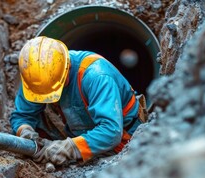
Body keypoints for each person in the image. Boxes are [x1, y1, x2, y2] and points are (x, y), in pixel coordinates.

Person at [10, 36, 147, 167]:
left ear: (67, 67)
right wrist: (25, 131)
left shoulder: (97, 76)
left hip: (123, 138)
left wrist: (70, 148)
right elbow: (22, 115)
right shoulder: (36, 74)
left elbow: (111, 131)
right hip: (79, 132)